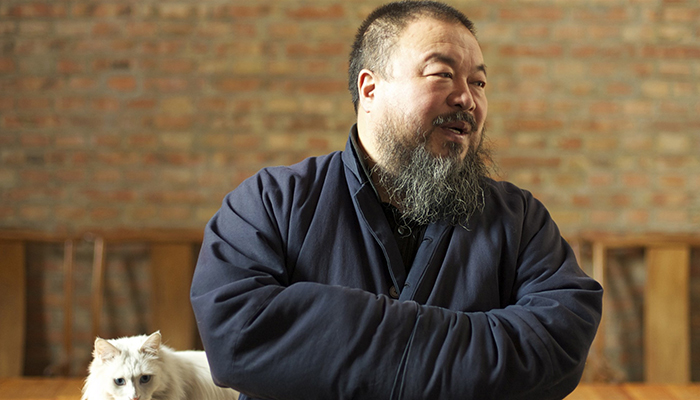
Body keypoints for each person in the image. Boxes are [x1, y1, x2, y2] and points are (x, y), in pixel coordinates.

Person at [190, 1, 603, 399]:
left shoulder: (520, 219)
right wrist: (482, 344)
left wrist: (320, 339)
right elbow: (236, 334)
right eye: (442, 74)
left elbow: (558, 341)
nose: (467, 98)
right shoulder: (268, 204)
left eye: (478, 82)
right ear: (369, 89)